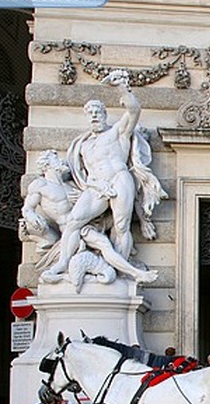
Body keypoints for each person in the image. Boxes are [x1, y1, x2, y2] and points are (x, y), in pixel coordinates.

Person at [40, 69, 166, 283]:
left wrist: (122, 88)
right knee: (73, 222)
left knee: (121, 225)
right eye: (90, 113)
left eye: (98, 112)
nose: (94, 116)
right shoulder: (83, 146)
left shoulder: (117, 133)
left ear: (105, 114)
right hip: (97, 187)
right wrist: (95, 186)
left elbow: (134, 110)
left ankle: (117, 272)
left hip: (119, 179)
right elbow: (82, 174)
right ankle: (62, 263)